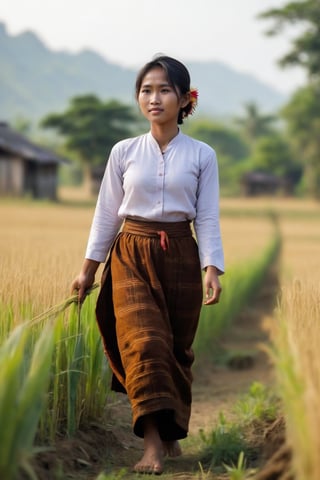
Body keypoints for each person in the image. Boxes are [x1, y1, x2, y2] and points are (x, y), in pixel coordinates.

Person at [72, 55, 224, 475]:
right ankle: (152, 445)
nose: (153, 98)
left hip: (179, 254)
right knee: (144, 346)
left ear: (184, 98)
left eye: (163, 90)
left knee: (174, 349)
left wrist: (212, 267)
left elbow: (207, 215)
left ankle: (171, 431)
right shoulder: (124, 152)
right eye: (145, 90)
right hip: (130, 255)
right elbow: (106, 214)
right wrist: (87, 268)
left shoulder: (201, 155)